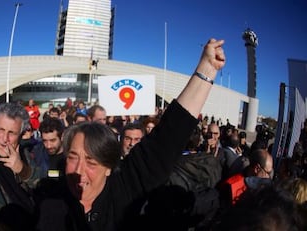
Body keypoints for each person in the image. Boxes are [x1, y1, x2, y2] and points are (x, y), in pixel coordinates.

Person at [29, 38, 226, 230]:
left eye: (91, 162)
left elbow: (169, 135)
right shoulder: (51, 204)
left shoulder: (123, 188)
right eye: (73, 158)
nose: (79, 171)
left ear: (108, 168)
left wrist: (206, 70)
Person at [29, 117, 65, 185]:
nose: (48, 146)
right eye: (44, 141)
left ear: (62, 136)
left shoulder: (72, 155)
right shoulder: (36, 153)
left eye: (52, 140)